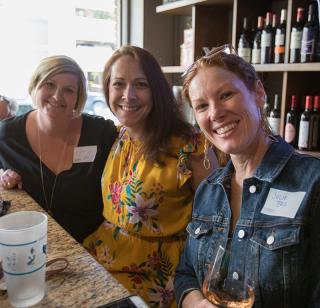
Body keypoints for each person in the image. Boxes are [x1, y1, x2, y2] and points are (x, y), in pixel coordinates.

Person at [174, 44, 320, 307]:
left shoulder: (313, 183)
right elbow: (185, 275)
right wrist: (197, 303)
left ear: (258, 93)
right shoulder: (208, 190)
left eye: (226, 94)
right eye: (202, 106)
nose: (215, 113)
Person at [83, 45, 221, 307]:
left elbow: (217, 221)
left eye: (141, 84)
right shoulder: (119, 134)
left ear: (157, 90)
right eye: (119, 84)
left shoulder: (190, 145)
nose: (128, 95)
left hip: (155, 276)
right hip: (102, 260)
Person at [0, 55, 117, 242]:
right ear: (35, 85)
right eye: (50, 84)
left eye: (68, 90)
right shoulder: (7, 136)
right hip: (30, 243)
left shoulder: (101, 133)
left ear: (78, 98)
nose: (57, 96)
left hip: (94, 248)